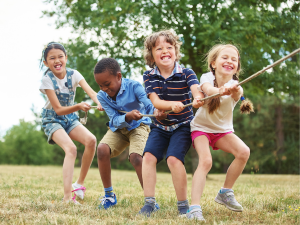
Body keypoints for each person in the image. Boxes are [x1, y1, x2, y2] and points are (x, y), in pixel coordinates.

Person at [139, 30, 204, 217]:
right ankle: (149, 203)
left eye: (169, 47)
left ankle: (183, 206)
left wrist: (198, 97)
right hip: (160, 127)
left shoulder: (186, 72)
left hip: (182, 125)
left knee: (174, 160)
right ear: (151, 55)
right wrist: (170, 105)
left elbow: (195, 89)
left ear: (175, 51)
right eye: (159, 48)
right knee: (148, 158)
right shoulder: (149, 75)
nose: (165, 51)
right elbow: (156, 101)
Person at [187, 44, 253, 221]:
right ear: (214, 63)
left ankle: (225, 192)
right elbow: (208, 90)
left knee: (243, 152)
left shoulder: (236, 85)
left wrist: (234, 90)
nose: (230, 61)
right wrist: (219, 91)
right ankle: (193, 208)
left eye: (234, 59)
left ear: (237, 67)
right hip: (201, 129)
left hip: (222, 131)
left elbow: (237, 94)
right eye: (225, 57)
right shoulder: (206, 77)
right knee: (206, 161)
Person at [94, 58, 165, 210]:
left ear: (118, 76)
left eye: (107, 84)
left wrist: (156, 112)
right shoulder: (101, 96)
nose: (104, 88)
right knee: (101, 149)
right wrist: (127, 116)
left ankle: (150, 201)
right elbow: (114, 119)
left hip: (140, 126)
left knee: (136, 158)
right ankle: (109, 196)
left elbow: (147, 103)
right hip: (119, 128)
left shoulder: (134, 86)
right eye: (100, 85)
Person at [39, 42, 103, 204]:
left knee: (91, 140)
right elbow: (59, 109)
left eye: (60, 56)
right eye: (52, 58)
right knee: (71, 149)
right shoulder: (47, 80)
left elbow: (92, 92)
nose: (57, 60)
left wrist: (100, 102)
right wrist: (79, 106)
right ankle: (67, 198)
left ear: (66, 58)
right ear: (46, 63)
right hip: (52, 118)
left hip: (70, 118)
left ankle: (79, 184)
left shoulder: (74, 74)